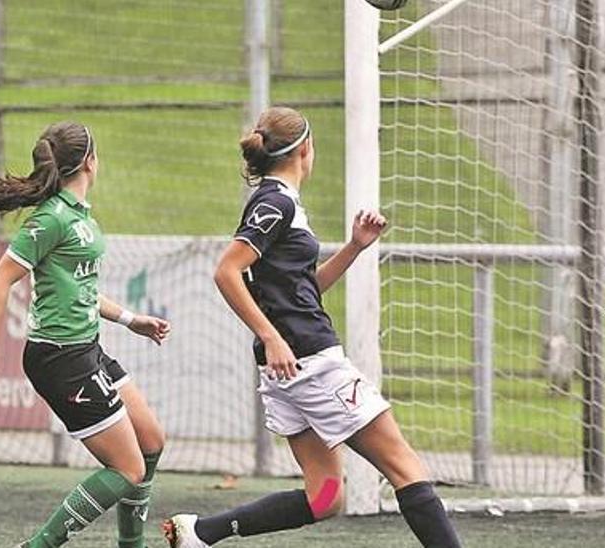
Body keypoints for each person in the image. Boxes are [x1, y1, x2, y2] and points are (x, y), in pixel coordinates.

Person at [162, 107, 461, 548]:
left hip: (287, 366)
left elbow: (300, 289)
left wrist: (354, 248)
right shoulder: (276, 202)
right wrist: (271, 336)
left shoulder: (278, 201)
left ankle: (199, 533)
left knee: (324, 496)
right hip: (310, 360)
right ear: (305, 150)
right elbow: (227, 271)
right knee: (404, 466)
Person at [0, 121, 170, 548]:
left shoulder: (78, 215)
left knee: (151, 439)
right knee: (127, 468)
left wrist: (132, 319)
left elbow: (82, 289)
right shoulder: (51, 219)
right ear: (90, 162)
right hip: (59, 357)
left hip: (87, 348)